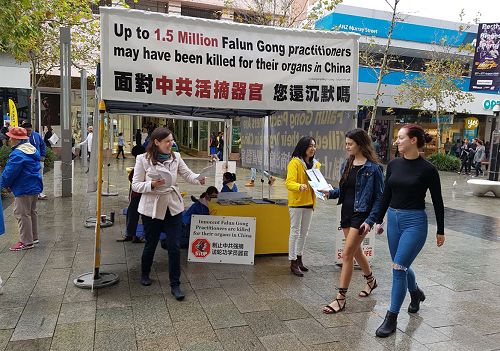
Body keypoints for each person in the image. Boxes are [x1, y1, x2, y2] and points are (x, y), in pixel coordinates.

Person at [374, 124, 444, 338]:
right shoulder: (393, 165)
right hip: (393, 220)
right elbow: (386, 194)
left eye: (401, 137)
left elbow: (438, 201)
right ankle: (416, 293)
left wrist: (440, 230)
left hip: (415, 223)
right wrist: (379, 219)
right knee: (401, 265)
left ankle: (391, 318)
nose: (397, 141)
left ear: (413, 140)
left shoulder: (428, 170)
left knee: (398, 268)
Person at [132, 127, 205, 300]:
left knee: (174, 246)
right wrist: (151, 185)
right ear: (156, 142)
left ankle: (175, 285)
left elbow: (187, 174)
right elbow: (135, 185)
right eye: (167, 141)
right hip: (152, 208)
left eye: (171, 140)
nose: (170, 144)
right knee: (151, 244)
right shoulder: (143, 159)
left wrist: (199, 178)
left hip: (173, 207)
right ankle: (145, 273)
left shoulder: (176, 157)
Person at [322, 129, 384, 314]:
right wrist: (330, 193)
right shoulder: (347, 164)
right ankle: (371, 281)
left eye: (350, 144)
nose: (347, 146)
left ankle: (340, 298)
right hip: (347, 212)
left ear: (360, 144)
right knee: (356, 252)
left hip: (362, 216)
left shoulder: (374, 169)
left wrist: (371, 220)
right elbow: (345, 190)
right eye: (346, 143)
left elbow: (379, 198)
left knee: (347, 254)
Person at [2, 127, 43, 251]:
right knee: (31, 212)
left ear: (16, 139)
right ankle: (33, 237)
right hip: (34, 185)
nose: (9, 139)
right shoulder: (31, 149)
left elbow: (10, 173)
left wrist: (3, 184)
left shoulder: (18, 154)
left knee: (22, 214)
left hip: (23, 187)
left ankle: (26, 242)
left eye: (10, 137)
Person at [285, 136, 320, 277]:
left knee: (304, 233)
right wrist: (300, 186)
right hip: (297, 203)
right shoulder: (295, 163)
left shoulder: (316, 164)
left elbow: (318, 183)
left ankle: (299, 258)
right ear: (303, 147)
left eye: (314, 146)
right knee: (295, 232)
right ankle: (292, 261)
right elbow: (289, 183)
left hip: (310, 202)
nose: (313, 149)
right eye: (310, 146)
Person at [117, 146, 147, 244]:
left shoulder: (144, 163)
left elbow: (132, 178)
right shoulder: (142, 162)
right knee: (133, 214)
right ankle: (132, 235)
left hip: (140, 194)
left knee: (137, 215)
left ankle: (134, 235)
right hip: (137, 194)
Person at [21, 122, 46, 199]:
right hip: (27, 161)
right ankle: (30, 192)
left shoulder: (36, 135)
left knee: (39, 176)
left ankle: (40, 193)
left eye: (29, 130)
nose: (28, 132)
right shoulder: (21, 137)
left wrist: (43, 155)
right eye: (26, 130)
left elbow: (42, 145)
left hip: (37, 160)